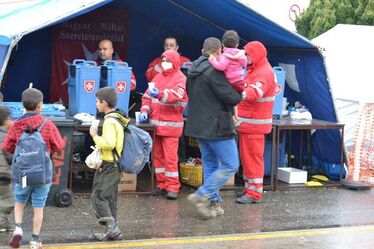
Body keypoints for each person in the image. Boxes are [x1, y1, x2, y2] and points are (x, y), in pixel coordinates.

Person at [184, 37, 242, 219]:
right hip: (217, 126)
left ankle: (213, 202)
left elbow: (190, 93)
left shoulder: (191, 70)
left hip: (198, 126)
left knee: (210, 163)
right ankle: (201, 195)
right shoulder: (214, 71)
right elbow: (232, 97)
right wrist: (240, 90)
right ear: (218, 52)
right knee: (230, 164)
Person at [2, 88, 65, 249]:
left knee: (20, 201)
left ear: (23, 106)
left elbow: (7, 147)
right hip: (42, 174)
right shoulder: (48, 124)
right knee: (38, 206)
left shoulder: (16, 125)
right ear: (40, 106)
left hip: (22, 173)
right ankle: (35, 240)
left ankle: (17, 228)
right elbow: (59, 145)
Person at [139, 50, 188, 200]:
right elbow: (147, 97)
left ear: (175, 61)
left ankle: (173, 187)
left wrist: (159, 94)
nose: (165, 63)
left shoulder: (181, 79)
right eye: (163, 60)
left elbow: (175, 96)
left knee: (170, 158)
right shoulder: (158, 77)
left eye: (168, 60)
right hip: (156, 125)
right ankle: (162, 184)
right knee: (158, 157)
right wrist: (144, 110)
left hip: (171, 126)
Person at [236, 41, 276, 204]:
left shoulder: (264, 72)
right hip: (248, 124)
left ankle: (254, 193)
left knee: (253, 159)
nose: (245, 58)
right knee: (247, 159)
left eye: (247, 54)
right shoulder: (254, 70)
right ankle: (249, 188)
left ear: (256, 55)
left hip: (255, 125)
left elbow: (255, 93)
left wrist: (236, 94)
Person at [89, 87, 130, 241]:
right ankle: (114, 230)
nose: (96, 105)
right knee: (110, 198)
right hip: (114, 165)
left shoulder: (109, 121)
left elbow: (109, 143)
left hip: (109, 165)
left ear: (104, 103)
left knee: (98, 197)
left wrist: (95, 136)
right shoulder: (117, 118)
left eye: (97, 102)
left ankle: (112, 227)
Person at [209, 30, 247, 126]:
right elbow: (244, 63)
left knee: (229, 100)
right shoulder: (240, 54)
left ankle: (233, 118)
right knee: (235, 101)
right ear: (237, 44)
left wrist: (213, 61)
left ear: (222, 44)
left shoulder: (225, 55)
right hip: (240, 81)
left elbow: (221, 67)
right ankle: (236, 117)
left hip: (230, 82)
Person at [0, 106, 13, 233]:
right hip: (3, 175)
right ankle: (2, 223)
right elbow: (9, 156)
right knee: (8, 201)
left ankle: (4, 223)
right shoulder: (6, 136)